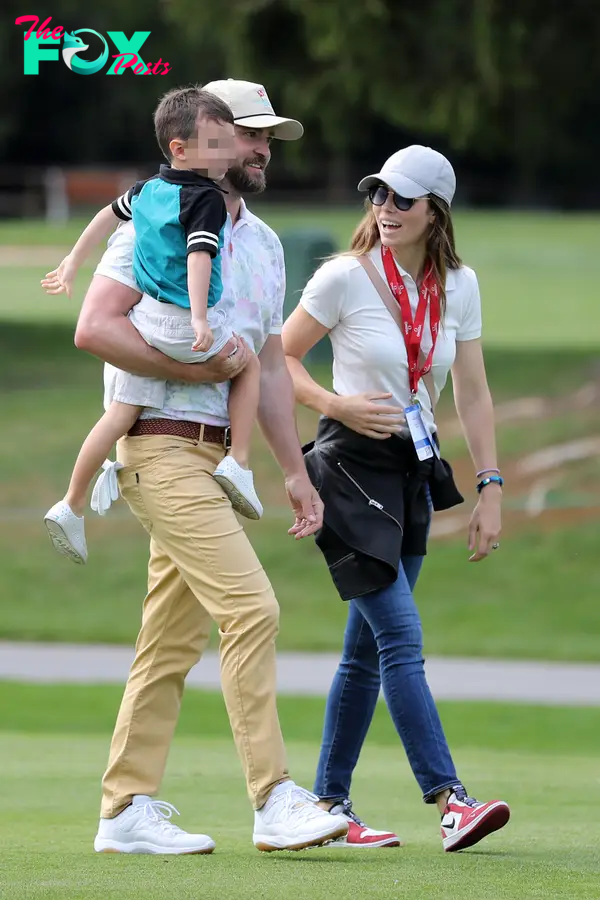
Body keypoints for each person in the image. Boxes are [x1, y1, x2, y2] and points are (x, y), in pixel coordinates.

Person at [71, 79, 350, 854]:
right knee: (252, 609)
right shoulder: (155, 221)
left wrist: (294, 471)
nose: (262, 150)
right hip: (157, 444)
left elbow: (263, 358)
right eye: (250, 134)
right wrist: (197, 373)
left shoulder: (259, 243)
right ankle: (273, 799)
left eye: (268, 140)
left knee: (166, 645)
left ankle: (125, 811)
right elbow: (93, 328)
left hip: (216, 460)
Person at [282, 145, 511, 852]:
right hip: (347, 466)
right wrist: (335, 403)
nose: (385, 209)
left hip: (413, 468)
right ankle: (450, 800)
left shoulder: (460, 285)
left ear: (434, 210)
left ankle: (329, 804)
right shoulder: (343, 278)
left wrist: (491, 485)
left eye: (401, 200)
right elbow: (278, 358)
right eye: (377, 195)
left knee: (365, 653)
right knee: (401, 641)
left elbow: (471, 391)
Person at [42, 87, 262, 568]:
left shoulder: (146, 190)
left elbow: (105, 215)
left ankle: (71, 504)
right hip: (186, 324)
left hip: (146, 323)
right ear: (181, 149)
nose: (230, 155)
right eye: (219, 145)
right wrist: (202, 319)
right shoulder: (205, 198)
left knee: (120, 413)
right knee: (249, 364)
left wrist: (72, 262)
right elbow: (199, 256)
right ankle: (239, 463)